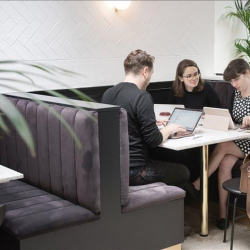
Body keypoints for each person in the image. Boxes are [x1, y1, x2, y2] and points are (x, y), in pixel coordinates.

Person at [101, 49, 190, 188]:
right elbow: (154, 140)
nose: (150, 78)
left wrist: (148, 122)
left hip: (112, 169)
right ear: (145, 71)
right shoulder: (141, 96)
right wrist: (170, 128)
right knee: (184, 172)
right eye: (151, 74)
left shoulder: (108, 94)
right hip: (135, 172)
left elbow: (123, 123)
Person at [192, 58, 250, 230]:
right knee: (224, 163)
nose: (233, 84)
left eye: (236, 79)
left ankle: (198, 183)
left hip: (247, 142)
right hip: (241, 139)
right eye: (231, 81)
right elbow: (234, 119)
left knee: (223, 146)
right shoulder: (236, 95)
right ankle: (223, 215)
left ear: (247, 73)